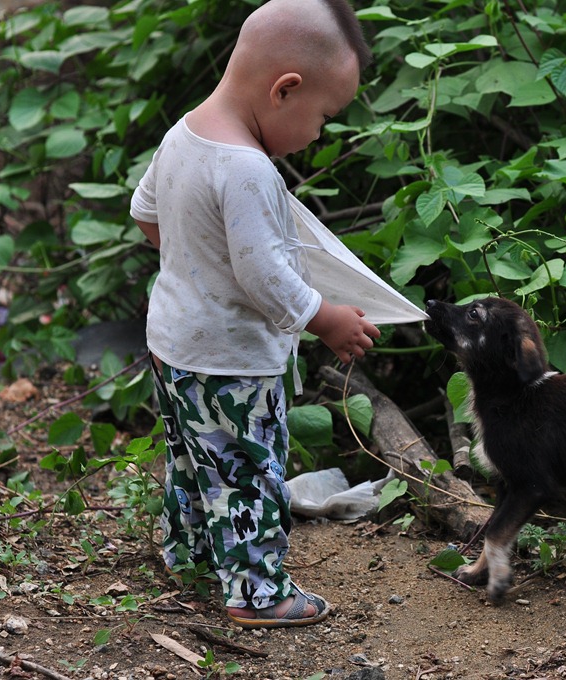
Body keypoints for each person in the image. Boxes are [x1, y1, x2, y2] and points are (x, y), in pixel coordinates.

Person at [129, 0, 379, 629]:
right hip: (230, 361)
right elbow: (266, 276)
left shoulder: (184, 133)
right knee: (247, 471)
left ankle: (186, 553)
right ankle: (257, 591)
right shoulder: (247, 169)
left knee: (190, 456)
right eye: (323, 117)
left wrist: (196, 265)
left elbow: (145, 214)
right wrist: (325, 318)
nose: (320, 133)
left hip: (173, 346)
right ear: (284, 89)